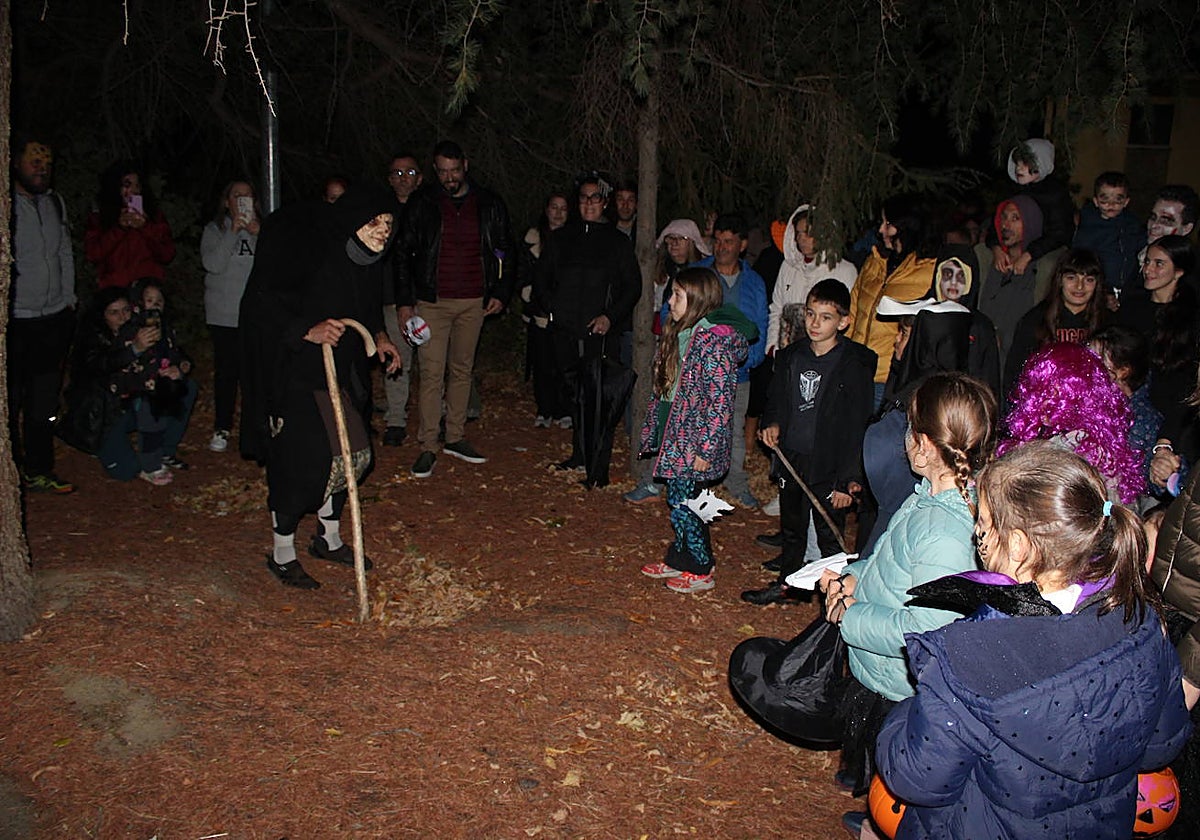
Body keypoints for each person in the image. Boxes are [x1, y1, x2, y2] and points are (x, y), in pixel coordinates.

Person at [877, 442, 1191, 840]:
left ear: (1020, 545)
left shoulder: (969, 658)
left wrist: (901, 716)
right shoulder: (1141, 621)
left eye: (986, 523)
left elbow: (918, 777)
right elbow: (1161, 745)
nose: (979, 535)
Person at [818, 372, 997, 817]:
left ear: (922, 443)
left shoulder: (944, 531)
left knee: (898, 790)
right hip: (882, 667)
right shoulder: (928, 498)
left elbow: (926, 630)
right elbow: (890, 563)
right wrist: (856, 577)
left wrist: (850, 615)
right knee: (881, 777)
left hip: (900, 685)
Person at [239, 184, 402, 590]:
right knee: (302, 461)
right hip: (298, 373)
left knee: (350, 455)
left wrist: (379, 337)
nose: (383, 231)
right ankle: (282, 552)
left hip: (342, 375)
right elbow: (264, 302)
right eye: (374, 222)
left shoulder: (365, 261)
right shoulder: (310, 250)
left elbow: (363, 306)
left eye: (387, 223)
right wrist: (306, 331)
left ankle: (327, 539)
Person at [741, 279, 876, 606]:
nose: (815, 323)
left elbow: (858, 426)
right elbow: (775, 400)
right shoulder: (790, 357)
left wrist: (848, 480)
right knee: (792, 528)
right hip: (793, 459)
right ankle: (787, 588)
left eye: (826, 317)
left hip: (829, 464)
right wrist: (771, 424)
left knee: (830, 535)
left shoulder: (853, 366)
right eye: (811, 314)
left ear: (843, 322)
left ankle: (838, 599)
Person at [395, 140, 514, 479]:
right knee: (432, 373)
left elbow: (506, 248)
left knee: (462, 368)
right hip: (432, 301)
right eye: (443, 172)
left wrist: (501, 292)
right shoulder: (423, 202)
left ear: (466, 165)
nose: (449, 178)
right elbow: (403, 254)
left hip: (474, 300)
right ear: (436, 171)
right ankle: (428, 444)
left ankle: (456, 436)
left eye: (454, 170)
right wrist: (405, 302)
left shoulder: (488, 202)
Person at [635, 268, 756, 593]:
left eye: (677, 295)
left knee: (687, 506)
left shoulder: (713, 342)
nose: (670, 300)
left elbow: (720, 402)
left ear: (698, 301)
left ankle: (702, 568)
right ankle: (679, 558)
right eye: (671, 293)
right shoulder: (681, 332)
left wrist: (706, 449)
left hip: (695, 443)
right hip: (677, 436)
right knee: (678, 503)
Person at [534, 172, 641, 487]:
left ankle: (598, 468)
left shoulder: (616, 242)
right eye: (583, 198)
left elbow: (632, 286)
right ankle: (579, 455)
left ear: (604, 202)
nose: (589, 203)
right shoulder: (561, 239)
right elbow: (541, 278)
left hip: (600, 332)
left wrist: (610, 316)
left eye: (595, 198)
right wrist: (552, 309)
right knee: (574, 395)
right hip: (565, 329)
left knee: (598, 398)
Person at [683, 213, 769, 507]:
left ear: (742, 245)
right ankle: (688, 483)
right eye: (718, 241)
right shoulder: (697, 274)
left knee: (733, 430)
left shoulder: (754, 282)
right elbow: (675, 314)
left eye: (729, 242)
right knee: (693, 426)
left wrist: (748, 361)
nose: (721, 247)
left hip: (737, 373)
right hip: (696, 372)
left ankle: (736, 482)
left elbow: (760, 325)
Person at [624, 218, 712, 504]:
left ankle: (687, 495)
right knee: (662, 418)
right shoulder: (662, 273)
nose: (674, 245)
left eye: (681, 239)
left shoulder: (704, 277)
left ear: (693, 243)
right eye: (670, 239)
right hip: (669, 353)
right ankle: (656, 481)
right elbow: (661, 314)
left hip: (691, 364)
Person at [67, 287, 193, 484]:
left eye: (126, 310)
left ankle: (163, 452)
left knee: (183, 387)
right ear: (102, 316)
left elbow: (174, 351)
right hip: (104, 410)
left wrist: (181, 367)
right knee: (126, 472)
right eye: (114, 312)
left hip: (138, 400)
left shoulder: (142, 325)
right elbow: (101, 366)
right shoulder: (93, 337)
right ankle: (110, 449)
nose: (122, 317)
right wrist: (135, 349)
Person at [9, 132, 76, 494]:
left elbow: (64, 251)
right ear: (16, 163)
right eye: (35, 162)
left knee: (44, 400)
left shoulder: (54, 203)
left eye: (47, 164)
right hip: (16, 319)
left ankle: (39, 469)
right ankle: (12, 471)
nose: (42, 169)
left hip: (52, 318)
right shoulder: (8, 207)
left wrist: (68, 298)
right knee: (12, 398)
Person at [999, 342, 1144, 505]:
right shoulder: (1084, 440)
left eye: (1054, 394)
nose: (1044, 402)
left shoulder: (1083, 450)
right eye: (1040, 392)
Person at [1120, 236, 1200, 492]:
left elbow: (1187, 386)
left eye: (1159, 264)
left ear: (1179, 271)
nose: (1148, 270)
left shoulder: (1191, 318)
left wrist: (1166, 441)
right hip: (1132, 415)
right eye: (1147, 262)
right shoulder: (1131, 309)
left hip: (1177, 420)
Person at [847, 194, 940, 407]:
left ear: (907, 226)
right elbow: (851, 313)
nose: (881, 230)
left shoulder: (929, 271)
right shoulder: (875, 261)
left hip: (888, 381)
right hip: (854, 373)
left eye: (888, 224)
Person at [201, 180, 259, 454]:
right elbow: (212, 264)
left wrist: (258, 233)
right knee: (226, 374)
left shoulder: (263, 230)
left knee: (253, 374)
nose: (242, 201)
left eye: (247, 196)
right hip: (223, 315)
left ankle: (252, 432)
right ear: (227, 201)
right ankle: (222, 427)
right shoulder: (215, 230)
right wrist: (233, 231)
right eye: (237, 196)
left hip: (254, 317)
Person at [1004, 249, 1108, 392]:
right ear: (1060, 280)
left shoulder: (1108, 323)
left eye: (1089, 280)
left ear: (1097, 284)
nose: (1080, 286)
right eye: (1071, 278)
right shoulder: (1035, 320)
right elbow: (1015, 373)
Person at [1089, 325, 1168, 506]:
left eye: (1097, 359)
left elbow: (1145, 481)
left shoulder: (1141, 418)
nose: (1088, 365)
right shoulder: (1095, 404)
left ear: (1123, 371)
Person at [764, 203, 858, 355]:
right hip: (788, 353)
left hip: (826, 356)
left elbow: (849, 319)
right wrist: (773, 346)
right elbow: (777, 308)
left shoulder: (845, 271)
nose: (802, 239)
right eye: (798, 233)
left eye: (808, 233)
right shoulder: (788, 267)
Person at [380, 151, 423, 446]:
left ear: (419, 178)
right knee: (398, 359)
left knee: (434, 360)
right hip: (392, 297)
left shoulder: (431, 209)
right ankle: (396, 419)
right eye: (397, 173)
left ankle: (439, 415)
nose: (403, 178)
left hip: (430, 297)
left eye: (409, 173)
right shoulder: (381, 213)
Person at [976, 195, 1045, 375]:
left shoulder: (1042, 267)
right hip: (985, 362)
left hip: (1019, 366)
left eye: (1015, 218)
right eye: (1004, 217)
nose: (1006, 225)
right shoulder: (987, 260)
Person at [519, 192, 571, 429]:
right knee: (541, 363)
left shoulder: (575, 239)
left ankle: (564, 409)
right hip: (538, 312)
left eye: (563, 208)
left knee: (564, 363)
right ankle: (544, 409)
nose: (558, 213)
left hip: (566, 313)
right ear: (546, 209)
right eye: (554, 207)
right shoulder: (531, 238)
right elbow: (523, 275)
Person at [986, 139, 1075, 274]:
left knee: (1048, 265)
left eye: (1026, 163)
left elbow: (1060, 233)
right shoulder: (1011, 190)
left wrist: (1029, 254)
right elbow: (996, 224)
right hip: (1016, 246)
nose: (1019, 168)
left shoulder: (1055, 194)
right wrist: (996, 248)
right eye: (1017, 163)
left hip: (1046, 249)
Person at [84, 160, 175, 289]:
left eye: (137, 185)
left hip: (147, 289)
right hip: (114, 290)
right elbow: (93, 254)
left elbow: (167, 254)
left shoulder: (154, 215)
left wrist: (145, 227)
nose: (134, 190)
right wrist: (119, 229)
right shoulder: (100, 217)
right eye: (127, 185)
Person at [1072, 171, 1145, 294]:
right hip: (1099, 286)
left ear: (1126, 202)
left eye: (1118, 200)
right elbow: (1082, 258)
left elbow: (1141, 243)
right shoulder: (1089, 227)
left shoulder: (1132, 223)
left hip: (1128, 284)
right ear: (1096, 201)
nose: (1111, 204)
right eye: (1104, 200)